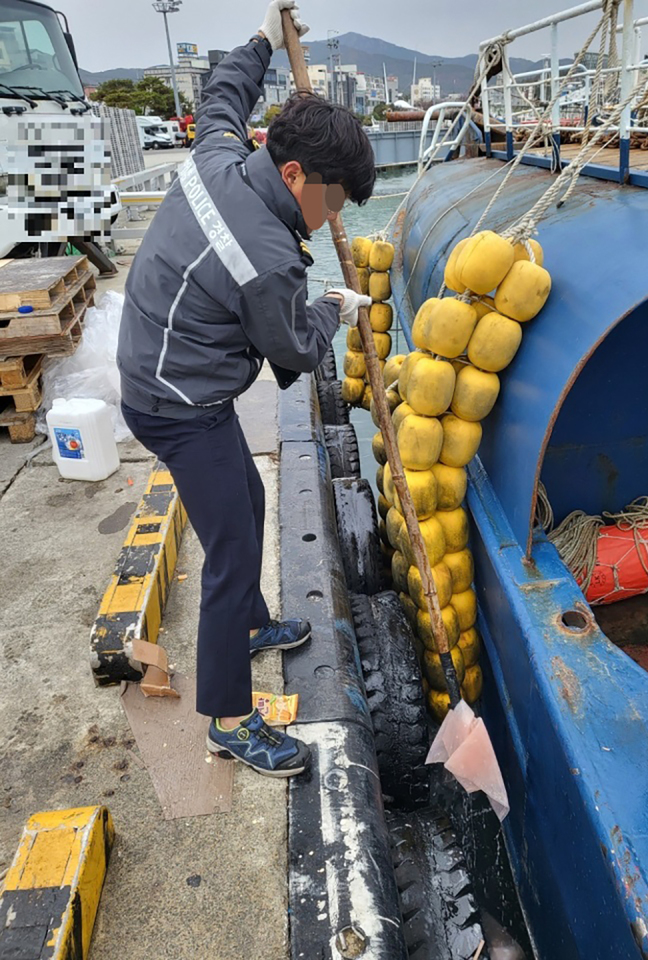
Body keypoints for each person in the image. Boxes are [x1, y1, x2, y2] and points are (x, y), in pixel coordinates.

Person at [117, 0, 376, 778]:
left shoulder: (221, 154)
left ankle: (256, 626)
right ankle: (228, 720)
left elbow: (224, 90)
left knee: (252, 503)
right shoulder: (268, 257)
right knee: (231, 556)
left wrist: (265, 38)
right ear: (293, 173)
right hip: (175, 401)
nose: (331, 213)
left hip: (169, 368)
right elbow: (294, 354)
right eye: (330, 198)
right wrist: (334, 306)